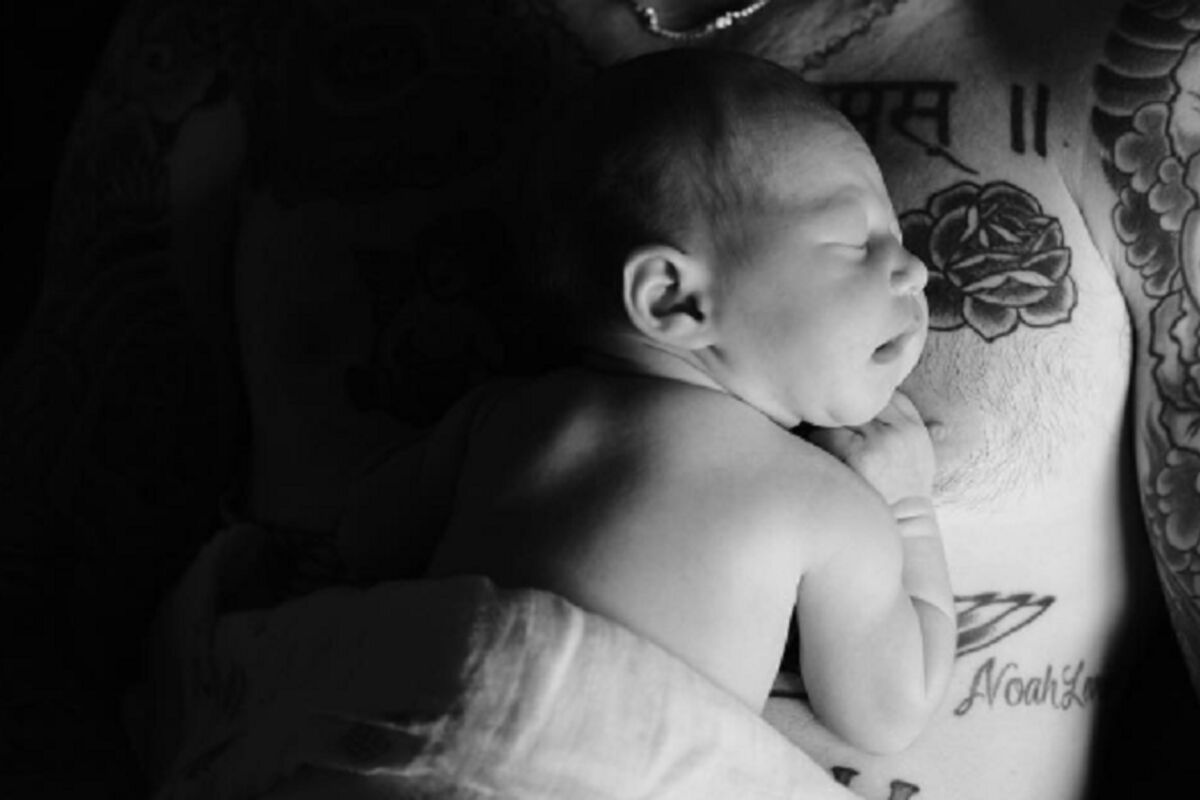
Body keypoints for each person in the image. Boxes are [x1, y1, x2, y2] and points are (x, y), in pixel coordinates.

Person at [385, 48, 955, 754]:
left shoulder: (495, 419)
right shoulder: (821, 501)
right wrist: (908, 507)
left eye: (895, 238)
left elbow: (365, 545)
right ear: (673, 300)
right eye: (855, 241)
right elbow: (891, 712)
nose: (914, 268)